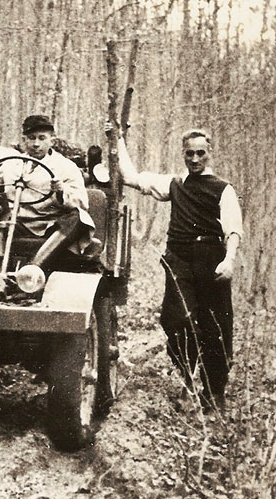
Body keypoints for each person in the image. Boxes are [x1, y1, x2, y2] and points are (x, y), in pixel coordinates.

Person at [116, 128, 243, 412]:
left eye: (201, 153)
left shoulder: (223, 188)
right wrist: (119, 140)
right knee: (176, 320)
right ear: (183, 154)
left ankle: (214, 394)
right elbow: (131, 177)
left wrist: (229, 259)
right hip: (180, 259)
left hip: (212, 259)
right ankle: (187, 378)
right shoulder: (174, 184)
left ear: (210, 153)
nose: (195, 159)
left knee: (216, 327)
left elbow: (233, 229)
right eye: (189, 153)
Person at [0, 115, 98, 272]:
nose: (36, 144)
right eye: (31, 138)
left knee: (79, 217)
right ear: (24, 140)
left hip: (50, 225)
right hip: (17, 222)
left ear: (51, 140)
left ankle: (33, 268)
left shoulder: (66, 166)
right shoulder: (11, 163)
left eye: (42, 138)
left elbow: (82, 202)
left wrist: (61, 191)